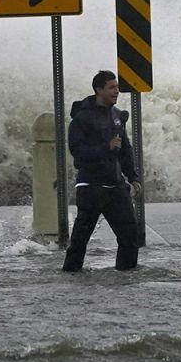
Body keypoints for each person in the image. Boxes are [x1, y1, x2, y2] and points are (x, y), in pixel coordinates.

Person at [62, 70, 142, 272]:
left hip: (116, 186)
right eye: (112, 87)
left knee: (131, 236)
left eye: (117, 87)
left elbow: (125, 150)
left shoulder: (117, 116)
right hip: (91, 187)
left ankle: (126, 277)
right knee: (80, 240)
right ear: (99, 90)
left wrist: (133, 177)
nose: (117, 91)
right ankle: (71, 277)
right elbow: (77, 151)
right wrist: (106, 147)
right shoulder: (82, 117)